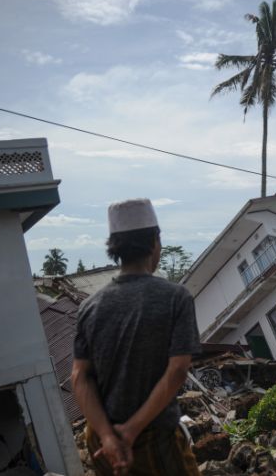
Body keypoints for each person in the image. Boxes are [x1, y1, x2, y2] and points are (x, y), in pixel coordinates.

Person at [71, 198, 202, 476]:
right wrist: (129, 432)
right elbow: (178, 369)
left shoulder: (89, 306)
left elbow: (80, 377)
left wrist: (108, 436)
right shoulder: (175, 297)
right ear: (155, 242)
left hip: (101, 442)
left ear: (115, 249)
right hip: (152, 437)